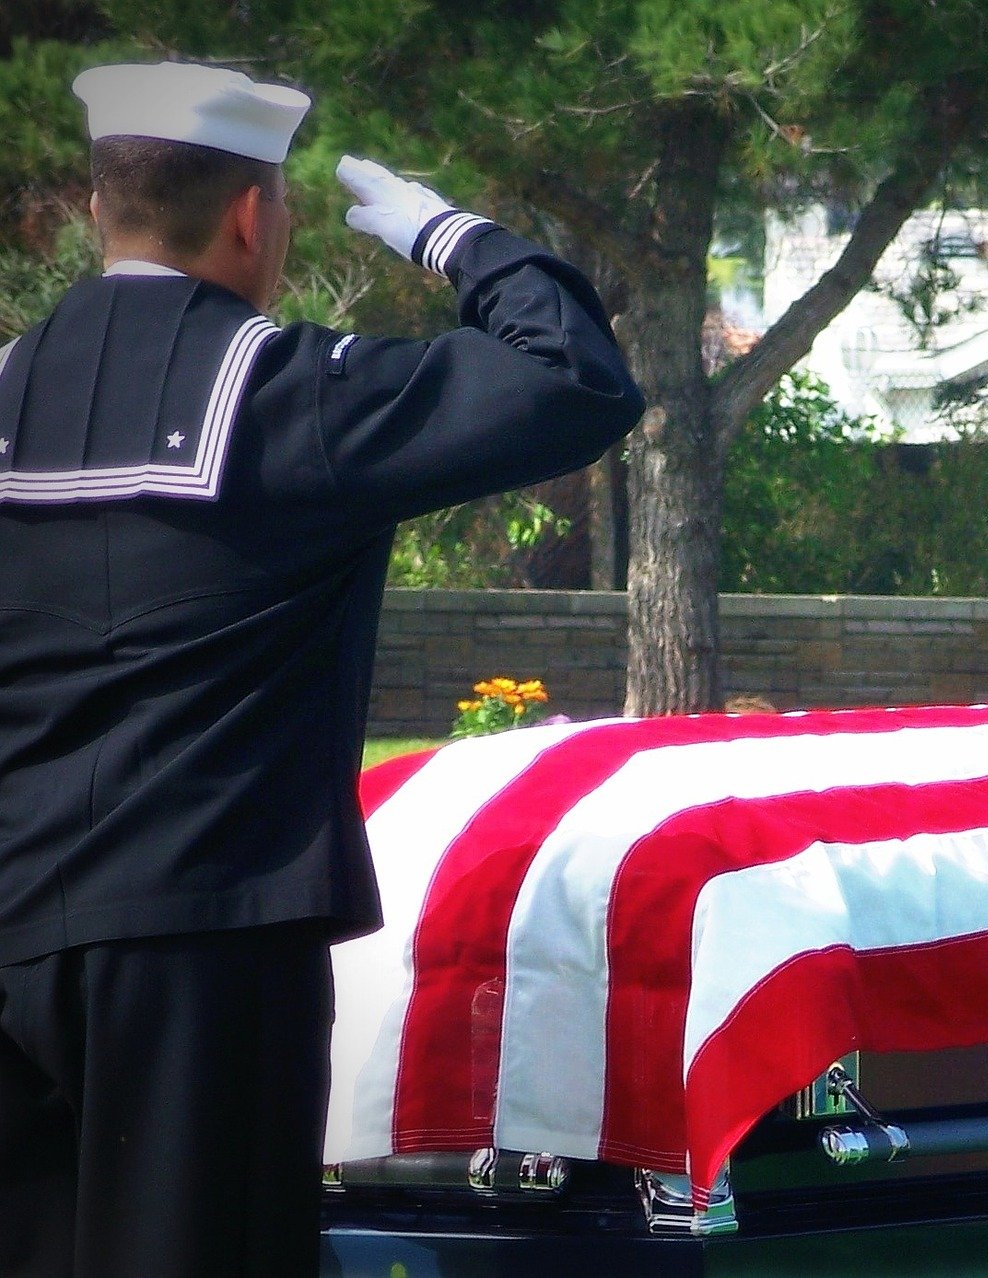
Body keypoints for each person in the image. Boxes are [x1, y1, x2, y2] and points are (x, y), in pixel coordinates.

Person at [0, 62, 642, 1276]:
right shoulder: (291, 396)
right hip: (201, 955)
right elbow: (577, 379)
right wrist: (453, 237)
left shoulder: (5, 388)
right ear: (252, 217)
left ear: (99, 211)